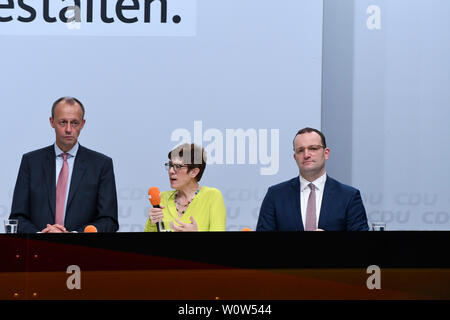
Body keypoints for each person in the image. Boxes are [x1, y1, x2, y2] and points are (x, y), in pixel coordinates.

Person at [9, 97, 119, 233]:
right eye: (62, 122)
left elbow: (109, 221)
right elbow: (17, 217)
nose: (68, 129)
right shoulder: (31, 162)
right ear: (52, 122)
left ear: (83, 124)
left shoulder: (101, 165)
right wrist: (41, 235)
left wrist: (73, 236)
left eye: (74, 123)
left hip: (83, 251)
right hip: (38, 249)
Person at [256, 127, 368, 231]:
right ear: (295, 158)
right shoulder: (275, 195)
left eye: (313, 148)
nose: (306, 155)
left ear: (326, 153)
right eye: (300, 150)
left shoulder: (349, 196)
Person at [145, 143, 226, 232]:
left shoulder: (212, 196)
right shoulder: (162, 198)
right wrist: (152, 223)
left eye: (178, 166)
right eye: (170, 165)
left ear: (194, 172)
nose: (171, 171)